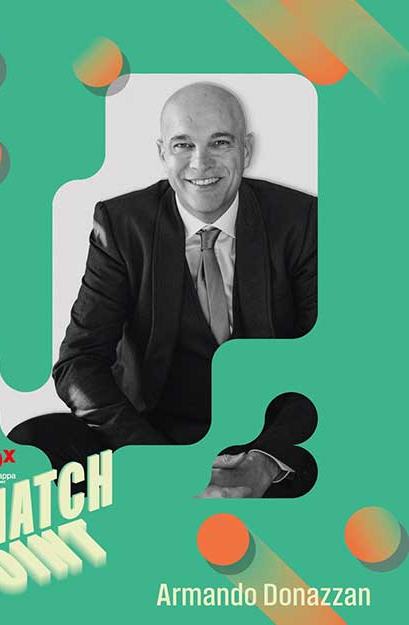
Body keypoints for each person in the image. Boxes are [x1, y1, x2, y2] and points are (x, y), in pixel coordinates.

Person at [48, 81, 317, 497]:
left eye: (220, 143)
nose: (200, 162)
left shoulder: (302, 220)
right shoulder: (121, 225)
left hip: (269, 440)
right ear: (162, 154)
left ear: (246, 150)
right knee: (38, 439)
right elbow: (79, 362)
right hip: (152, 434)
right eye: (183, 145)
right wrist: (159, 464)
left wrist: (266, 460)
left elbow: (331, 361)